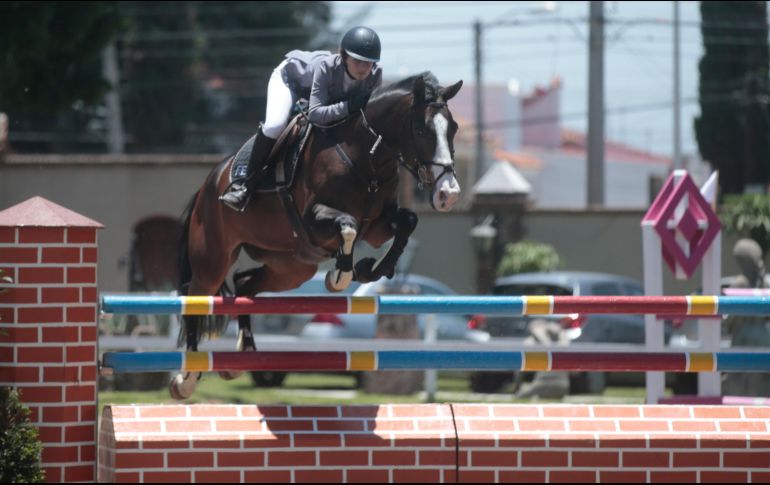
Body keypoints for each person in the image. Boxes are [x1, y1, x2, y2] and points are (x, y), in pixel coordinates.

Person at [220, 26, 383, 211]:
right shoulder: (326, 68)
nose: (363, 68)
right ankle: (245, 184)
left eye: (368, 63)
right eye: (357, 61)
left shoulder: (375, 75)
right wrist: (349, 106)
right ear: (344, 56)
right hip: (290, 81)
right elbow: (316, 114)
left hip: (318, 94)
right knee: (275, 125)